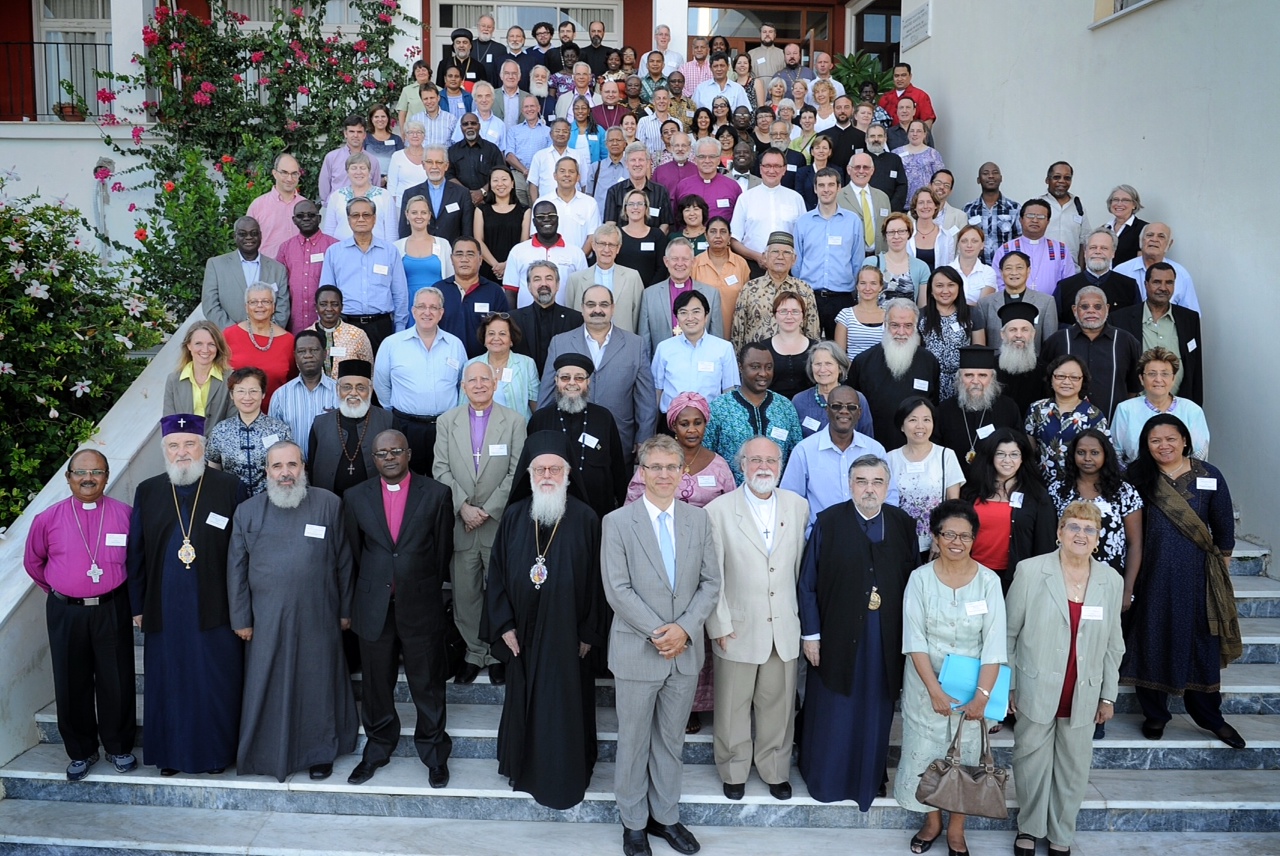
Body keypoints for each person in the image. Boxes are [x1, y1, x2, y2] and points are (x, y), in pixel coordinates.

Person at [602, 434, 721, 856]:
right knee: (634, 740)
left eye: (672, 467)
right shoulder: (617, 522)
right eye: (655, 467)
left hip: (685, 651)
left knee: (671, 740)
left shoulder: (699, 520)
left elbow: (711, 583)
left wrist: (685, 629)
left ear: (682, 472)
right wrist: (661, 632)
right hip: (638, 651)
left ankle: (665, 817)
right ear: (642, 472)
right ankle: (633, 823)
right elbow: (617, 590)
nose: (664, 474)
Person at [486, 430, 604, 809]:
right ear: (529, 473)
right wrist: (504, 624)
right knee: (525, 700)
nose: (548, 475)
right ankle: (522, 766)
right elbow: (498, 574)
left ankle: (565, 771)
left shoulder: (586, 519)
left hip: (569, 636)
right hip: (523, 633)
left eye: (556, 468)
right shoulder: (515, 516)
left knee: (565, 704)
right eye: (541, 469)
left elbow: (600, 582)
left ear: (568, 474)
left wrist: (588, 630)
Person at [228, 441, 358, 782]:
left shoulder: (329, 504)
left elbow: (344, 561)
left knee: (318, 685)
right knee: (265, 686)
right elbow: (236, 570)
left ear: (303, 467)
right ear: (266, 472)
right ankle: (266, 753)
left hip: (319, 614)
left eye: (292, 465)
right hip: (265, 620)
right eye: (277, 466)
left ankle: (320, 752)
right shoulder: (247, 511)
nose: (285, 473)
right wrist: (241, 618)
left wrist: (345, 610)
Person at [126, 416, 248, 776]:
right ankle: (171, 755)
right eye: (174, 446)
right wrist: (136, 606)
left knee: (216, 682)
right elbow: (136, 553)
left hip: (218, 606)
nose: (182, 452)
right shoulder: (148, 491)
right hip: (164, 608)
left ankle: (216, 755)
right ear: (165, 450)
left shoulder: (229, 487)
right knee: (170, 682)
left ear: (202, 447)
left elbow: (242, 552)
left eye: (189, 444)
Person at [1006, 501, 1124, 856]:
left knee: (1073, 769)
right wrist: (1010, 684)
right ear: (1059, 533)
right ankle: (1029, 828)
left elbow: (1114, 643)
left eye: (1089, 529)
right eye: (1073, 527)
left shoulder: (1111, 580)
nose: (1081, 534)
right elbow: (1009, 633)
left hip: (1083, 691)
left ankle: (1061, 833)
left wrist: (1108, 695)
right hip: (1035, 685)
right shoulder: (1030, 571)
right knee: (1030, 763)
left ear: (1098, 538)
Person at [798, 453, 916, 808]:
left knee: (874, 710)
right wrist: (812, 635)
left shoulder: (902, 524)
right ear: (850, 485)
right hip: (835, 636)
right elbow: (807, 584)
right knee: (835, 710)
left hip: (884, 637)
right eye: (861, 481)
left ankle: (869, 777)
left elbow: (913, 584)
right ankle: (827, 779)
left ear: (887, 486)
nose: (869, 489)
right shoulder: (828, 522)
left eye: (877, 482)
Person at [1119, 414, 1243, 747]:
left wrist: (1220, 575)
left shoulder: (1209, 475)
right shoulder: (1137, 476)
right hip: (1152, 574)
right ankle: (1156, 715)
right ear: (1146, 445)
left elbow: (1224, 529)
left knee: (1200, 642)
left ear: (1185, 440)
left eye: (1171, 439)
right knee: (1151, 638)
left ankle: (1210, 717)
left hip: (1198, 576)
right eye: (1155, 440)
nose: (1164, 446)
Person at [343, 429, 454, 786]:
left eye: (395, 451)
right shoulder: (355, 496)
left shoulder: (437, 494)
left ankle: (435, 754)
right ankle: (377, 748)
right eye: (381, 453)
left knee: (428, 684)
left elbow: (442, 552)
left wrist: (415, 581)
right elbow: (355, 553)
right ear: (372, 459)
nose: (389, 458)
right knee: (376, 685)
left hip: (420, 602)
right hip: (374, 605)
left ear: (408, 453)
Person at [896, 500, 1006, 856]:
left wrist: (983, 696)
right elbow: (914, 639)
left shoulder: (988, 581)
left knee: (967, 759)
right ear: (935, 536)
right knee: (926, 755)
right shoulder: (920, 579)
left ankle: (957, 829)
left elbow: (994, 644)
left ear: (974, 539)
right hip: (925, 684)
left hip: (974, 689)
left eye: (965, 536)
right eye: (949, 534)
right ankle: (932, 822)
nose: (957, 542)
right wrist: (934, 691)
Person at [704, 437, 808, 800]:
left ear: (781, 465)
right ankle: (733, 770)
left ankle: (774, 769)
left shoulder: (798, 506)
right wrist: (718, 624)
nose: (764, 467)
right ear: (741, 465)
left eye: (772, 460)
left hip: (783, 624)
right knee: (732, 705)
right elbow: (711, 575)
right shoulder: (718, 510)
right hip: (736, 626)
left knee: (778, 707)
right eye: (755, 460)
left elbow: (800, 571)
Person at [25, 449, 136, 781]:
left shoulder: (126, 515)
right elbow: (34, 563)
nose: (89, 478)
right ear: (69, 477)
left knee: (116, 679)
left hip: (113, 607)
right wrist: (64, 592)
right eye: (81, 472)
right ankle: (81, 750)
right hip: (66, 612)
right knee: (71, 681)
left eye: (97, 472)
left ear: (106, 476)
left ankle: (118, 746)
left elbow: (137, 561)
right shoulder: (47, 519)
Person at [434, 362, 527, 685]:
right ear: (462, 386)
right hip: (463, 523)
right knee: (466, 594)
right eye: (471, 380)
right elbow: (440, 470)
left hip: (497, 522)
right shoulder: (447, 422)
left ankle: (498, 652)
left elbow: (518, 472)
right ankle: (474, 654)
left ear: (494, 382)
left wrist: (487, 509)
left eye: (484, 379)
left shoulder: (514, 422)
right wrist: (464, 507)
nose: (478, 385)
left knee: (499, 593)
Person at [539, 284, 657, 463]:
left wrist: (644, 439)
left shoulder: (635, 344)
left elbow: (645, 400)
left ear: (613, 308)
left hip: (619, 440)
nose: (597, 310)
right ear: (582, 308)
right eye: (591, 304)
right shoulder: (560, 343)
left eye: (603, 304)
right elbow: (547, 394)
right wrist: (544, 436)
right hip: (567, 442)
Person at [1048, 430, 1144, 613]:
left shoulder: (1123, 492)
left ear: (1105, 455)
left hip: (1110, 580)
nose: (1087, 458)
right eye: (1081, 452)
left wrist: (1127, 588)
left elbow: (1135, 544)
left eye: (1094, 452)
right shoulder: (1058, 490)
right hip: (1064, 579)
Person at [374, 287, 467, 475]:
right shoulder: (392, 344)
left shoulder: (455, 344)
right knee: (408, 479)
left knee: (444, 479)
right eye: (422, 306)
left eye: (434, 307)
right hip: (406, 426)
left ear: (441, 313)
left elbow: (462, 384)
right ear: (413, 311)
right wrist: (393, 409)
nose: (427, 312)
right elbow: (381, 382)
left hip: (444, 427)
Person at [780, 385, 895, 530]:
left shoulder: (875, 449)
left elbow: (890, 495)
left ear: (859, 413)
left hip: (869, 536)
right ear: (827, 410)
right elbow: (790, 500)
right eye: (836, 406)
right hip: (822, 539)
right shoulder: (804, 450)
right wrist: (810, 534)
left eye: (851, 407)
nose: (844, 411)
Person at [529, 352, 628, 521]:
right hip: (552, 510)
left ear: (588, 382)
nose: (572, 383)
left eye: (579, 378)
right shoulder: (541, 419)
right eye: (565, 378)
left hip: (597, 509)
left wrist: (624, 505)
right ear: (556, 381)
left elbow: (617, 466)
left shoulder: (603, 417)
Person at [960, 428, 1057, 597]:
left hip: (1016, 578)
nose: (1007, 460)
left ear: (1022, 458)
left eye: (1014, 454)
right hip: (972, 573)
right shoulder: (971, 492)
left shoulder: (1037, 495)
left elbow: (1045, 543)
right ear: (991, 456)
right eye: (1000, 454)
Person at [318, 196, 410, 354]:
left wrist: (399, 328)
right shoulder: (334, 252)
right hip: (346, 325)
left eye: (366, 215)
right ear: (348, 220)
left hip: (381, 326)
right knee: (347, 375)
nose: (361, 219)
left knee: (380, 376)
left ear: (374, 219)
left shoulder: (389, 251)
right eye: (355, 215)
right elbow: (326, 294)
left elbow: (400, 293)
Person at [703, 341, 803, 485]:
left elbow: (796, 455)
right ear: (741, 367)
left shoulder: (785, 407)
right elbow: (707, 455)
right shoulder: (719, 408)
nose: (763, 373)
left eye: (768, 367)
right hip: (733, 497)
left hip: (778, 496)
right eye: (755, 367)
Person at [848, 298, 941, 449]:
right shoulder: (863, 361)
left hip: (916, 448)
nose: (901, 332)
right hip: (872, 445)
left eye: (908, 326)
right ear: (885, 325)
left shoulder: (929, 361)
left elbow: (933, 406)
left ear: (916, 327)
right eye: (895, 325)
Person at [1040, 286, 1141, 420]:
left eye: (1098, 307)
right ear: (1075, 310)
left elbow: (1133, 387)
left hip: (1113, 423)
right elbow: (1045, 384)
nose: (1091, 311)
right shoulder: (1057, 341)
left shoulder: (1125, 341)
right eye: (1085, 307)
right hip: (1064, 428)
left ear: (1107, 309)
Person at [1111, 263, 1203, 405]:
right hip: (1136, 407)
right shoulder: (1120, 319)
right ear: (1146, 284)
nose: (1163, 288)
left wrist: (1195, 405)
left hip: (1179, 406)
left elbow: (1195, 368)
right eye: (1157, 282)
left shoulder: (1189, 319)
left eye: (1169, 283)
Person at [887, 396, 965, 558]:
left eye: (926, 420)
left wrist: (940, 540)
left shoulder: (946, 456)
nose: (920, 426)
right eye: (913, 420)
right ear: (902, 425)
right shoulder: (890, 459)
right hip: (899, 541)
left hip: (935, 544)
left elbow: (953, 504)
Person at [625, 392, 734, 506]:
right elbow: (633, 504)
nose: (692, 430)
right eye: (684, 424)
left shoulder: (719, 465)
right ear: (673, 426)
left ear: (705, 424)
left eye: (697, 423)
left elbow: (730, 509)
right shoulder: (654, 460)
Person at [306, 359, 393, 498]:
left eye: (361, 387)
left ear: (370, 390)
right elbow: (311, 466)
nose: (353, 393)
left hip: (374, 502)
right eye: (347, 387)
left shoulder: (387, 420)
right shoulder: (320, 423)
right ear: (337, 389)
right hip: (329, 501)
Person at [1112, 346, 1210, 466]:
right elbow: (1115, 454)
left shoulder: (1192, 410)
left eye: (1165, 374)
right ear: (1141, 379)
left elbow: (1200, 456)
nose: (1158, 379)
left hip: (1182, 480)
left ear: (1173, 378)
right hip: (1136, 480)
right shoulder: (1125, 409)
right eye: (1152, 374)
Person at [935, 346, 1024, 477]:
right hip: (954, 482)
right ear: (960, 378)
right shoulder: (944, 409)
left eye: (982, 375)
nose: (975, 381)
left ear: (992, 378)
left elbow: (1020, 447)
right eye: (969, 375)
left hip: (996, 483)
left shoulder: (1008, 407)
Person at [205, 367, 293, 496]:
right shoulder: (220, 431)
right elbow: (214, 470)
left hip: (271, 502)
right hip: (231, 501)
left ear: (263, 394)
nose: (247, 397)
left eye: (253, 391)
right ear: (231, 395)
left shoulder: (279, 430)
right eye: (240, 391)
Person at [650, 288, 739, 416]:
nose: (690, 318)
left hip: (710, 420)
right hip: (671, 421)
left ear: (706, 315)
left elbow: (729, 391)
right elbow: (657, 390)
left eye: (696, 312)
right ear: (677, 318)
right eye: (683, 312)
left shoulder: (723, 348)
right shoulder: (664, 348)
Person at [1026, 355, 1112, 482]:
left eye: (1074, 377)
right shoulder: (1036, 409)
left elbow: (1105, 455)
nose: (1066, 382)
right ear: (1051, 379)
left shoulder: (1094, 415)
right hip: (1041, 485)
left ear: (1083, 381)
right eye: (1060, 376)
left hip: (1079, 486)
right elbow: (1029, 451)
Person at [731, 232, 821, 349]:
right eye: (775, 252)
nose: (780, 257)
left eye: (786, 253)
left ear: (794, 259)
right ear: (764, 257)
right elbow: (738, 331)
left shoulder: (804, 289)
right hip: (757, 361)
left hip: (794, 360)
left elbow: (812, 330)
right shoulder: (750, 289)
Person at [201, 216, 290, 330]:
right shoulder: (216, 265)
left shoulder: (278, 269)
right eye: (243, 234)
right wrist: (236, 333)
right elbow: (210, 306)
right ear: (234, 237)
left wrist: (267, 332)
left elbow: (283, 308)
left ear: (260, 236)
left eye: (254, 233)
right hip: (229, 339)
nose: (249, 237)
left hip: (268, 338)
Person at [638, 238, 725, 354]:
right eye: (674, 259)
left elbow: (716, 339)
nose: (680, 264)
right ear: (666, 261)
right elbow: (644, 341)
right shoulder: (649, 295)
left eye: (685, 259)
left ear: (693, 262)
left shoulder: (711, 294)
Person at [221, 284, 296, 410]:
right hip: (236, 414)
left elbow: (293, 380)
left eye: (266, 301)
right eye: (253, 302)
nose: (259, 306)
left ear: (273, 307)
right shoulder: (229, 335)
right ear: (246, 307)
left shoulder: (288, 340)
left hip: (276, 413)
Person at [728, 148, 806, 269]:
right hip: (753, 266)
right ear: (760, 168)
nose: (771, 170)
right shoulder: (745, 198)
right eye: (767, 166)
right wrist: (757, 257)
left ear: (784, 169)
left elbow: (803, 238)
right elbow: (734, 240)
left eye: (777, 166)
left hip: (788, 268)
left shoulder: (796, 198)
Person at [503, 202, 589, 308]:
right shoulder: (518, 251)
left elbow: (583, 291)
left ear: (557, 220)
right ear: (534, 222)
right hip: (526, 321)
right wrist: (512, 321)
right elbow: (511, 291)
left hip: (566, 321)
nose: (546, 219)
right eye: (540, 217)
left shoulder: (576, 253)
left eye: (551, 216)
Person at [433, 237, 507, 358]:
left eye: (470, 254)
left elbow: (504, 331)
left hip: (483, 365)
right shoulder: (438, 290)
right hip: (444, 361)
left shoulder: (494, 292)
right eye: (459, 254)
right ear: (451, 259)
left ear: (480, 260)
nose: (464, 259)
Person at [972, 251, 1059, 350]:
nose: (1014, 272)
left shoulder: (1046, 302)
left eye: (1019, 268)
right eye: (1008, 268)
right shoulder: (985, 304)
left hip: (1034, 363)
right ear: (1001, 272)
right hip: (996, 363)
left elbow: (1050, 344)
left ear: (1028, 270)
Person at [268, 330, 338, 452]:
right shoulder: (281, 395)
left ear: (325, 354)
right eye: (302, 351)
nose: (308, 355)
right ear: (295, 356)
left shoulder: (339, 392)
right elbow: (273, 438)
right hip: (293, 468)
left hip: (331, 466)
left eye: (314, 350)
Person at [565, 225, 644, 332]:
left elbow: (638, 316)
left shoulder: (632, 277)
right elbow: (571, 317)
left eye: (611, 245)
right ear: (593, 245)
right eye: (602, 244)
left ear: (618, 248)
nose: (606, 250)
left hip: (623, 342)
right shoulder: (575, 279)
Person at [919, 266, 982, 401]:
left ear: (959, 288)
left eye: (951, 285)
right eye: (939, 286)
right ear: (931, 290)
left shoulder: (972, 313)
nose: (945, 291)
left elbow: (979, 351)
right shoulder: (920, 315)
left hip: (963, 382)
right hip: (930, 381)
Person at [791, 340, 874, 440]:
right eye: (817, 364)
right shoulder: (799, 400)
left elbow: (867, 438)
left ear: (840, 368)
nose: (822, 369)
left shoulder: (857, 398)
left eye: (828, 363)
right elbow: (794, 440)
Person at [276, 200, 338, 334]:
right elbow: (280, 287)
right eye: (300, 215)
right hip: (294, 324)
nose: (306, 218)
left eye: (311, 215)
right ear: (294, 220)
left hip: (328, 323)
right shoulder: (285, 248)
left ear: (319, 218)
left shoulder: (334, 246)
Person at [992, 199, 1078, 294]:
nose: (1035, 220)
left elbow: (1068, 282)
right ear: (1021, 220)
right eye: (1030, 216)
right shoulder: (1005, 250)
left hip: (1052, 306)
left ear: (1048, 221)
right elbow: (998, 282)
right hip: (1014, 305)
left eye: (1041, 217)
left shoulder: (1060, 249)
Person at [1054, 227, 1141, 321]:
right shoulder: (1065, 287)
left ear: (1113, 253)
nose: (1098, 252)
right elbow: (1056, 323)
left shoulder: (1129, 287)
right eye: (1093, 247)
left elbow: (1135, 323)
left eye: (1104, 248)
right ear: (1085, 252)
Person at [1113, 221, 1201, 312]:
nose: (1154, 239)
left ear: (1169, 244)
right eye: (1149, 235)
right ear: (1141, 241)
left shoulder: (1181, 274)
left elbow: (1192, 315)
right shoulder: (1121, 271)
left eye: (1161, 236)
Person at [163, 321, 233, 433]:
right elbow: (170, 426)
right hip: (184, 448)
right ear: (189, 346)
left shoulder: (232, 379)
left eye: (211, 344)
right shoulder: (173, 380)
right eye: (198, 343)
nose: (205, 350)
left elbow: (233, 423)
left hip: (220, 448)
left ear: (218, 347)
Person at [466, 311, 539, 419]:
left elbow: (535, 404)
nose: (496, 338)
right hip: (482, 432)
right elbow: (463, 405)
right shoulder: (471, 365)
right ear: (484, 339)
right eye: (491, 334)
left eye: (502, 334)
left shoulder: (527, 364)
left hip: (518, 432)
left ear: (511, 340)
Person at [397, 144, 473, 244]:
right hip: (419, 253)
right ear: (423, 165)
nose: (434, 167)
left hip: (451, 254)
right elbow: (405, 230)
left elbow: (467, 232)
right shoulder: (410, 194)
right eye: (429, 162)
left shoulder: (462, 194)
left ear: (446, 166)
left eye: (439, 162)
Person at [691, 216, 750, 334]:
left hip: (735, 331)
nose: (718, 236)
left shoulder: (740, 263)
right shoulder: (695, 264)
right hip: (702, 333)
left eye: (723, 232)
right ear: (706, 236)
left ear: (729, 236)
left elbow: (747, 300)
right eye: (713, 231)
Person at [322, 152, 396, 244]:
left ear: (369, 171)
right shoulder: (336, 196)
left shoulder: (385, 196)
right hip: (342, 252)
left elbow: (391, 232)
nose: (358, 172)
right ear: (347, 172)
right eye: (353, 168)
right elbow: (329, 231)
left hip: (377, 252)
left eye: (363, 168)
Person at [474, 166, 530, 286]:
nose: (500, 184)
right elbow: (478, 240)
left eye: (504, 179)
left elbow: (524, 243)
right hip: (488, 268)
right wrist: (496, 265)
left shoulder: (525, 210)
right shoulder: (481, 210)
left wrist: (507, 265)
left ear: (512, 183)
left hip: (515, 267)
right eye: (495, 180)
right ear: (490, 185)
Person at [395, 195, 454, 305]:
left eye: (423, 212)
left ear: (429, 216)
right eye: (414, 212)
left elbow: (451, 278)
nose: (419, 216)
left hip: (437, 304)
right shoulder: (396, 247)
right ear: (406, 215)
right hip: (408, 304)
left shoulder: (443, 244)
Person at [246, 153, 304, 260]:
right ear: (274, 173)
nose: (289, 178)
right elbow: (247, 242)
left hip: (299, 270)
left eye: (294, 173)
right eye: (284, 173)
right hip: (268, 271)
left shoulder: (305, 206)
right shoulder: (258, 206)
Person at [309, 286, 374, 380]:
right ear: (316, 307)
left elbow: (369, 371)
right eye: (323, 304)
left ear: (342, 307)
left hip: (349, 392)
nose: (329, 309)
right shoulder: (307, 336)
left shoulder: (357, 335)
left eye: (334, 304)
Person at [836, 153, 892, 257]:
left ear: (872, 170)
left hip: (879, 257)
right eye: (857, 167)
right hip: (848, 257)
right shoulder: (837, 197)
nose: (861, 171)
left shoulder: (883, 197)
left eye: (866, 167)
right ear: (849, 170)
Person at [963, 162, 1020, 263]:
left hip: (1006, 269)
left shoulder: (1014, 208)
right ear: (978, 180)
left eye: (995, 173)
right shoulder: (968, 209)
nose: (990, 176)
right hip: (977, 269)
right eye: (985, 173)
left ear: (1001, 178)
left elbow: (1020, 238)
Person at [994, 302, 1045, 415]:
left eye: (1024, 330)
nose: (1018, 335)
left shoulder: (1044, 369)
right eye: (1013, 330)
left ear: (1033, 334)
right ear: (1002, 334)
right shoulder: (990, 367)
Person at [673, 137, 742, 220]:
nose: (707, 161)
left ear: (718, 159)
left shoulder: (732, 186)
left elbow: (739, 220)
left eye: (712, 156)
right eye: (702, 156)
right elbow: (677, 219)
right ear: (695, 159)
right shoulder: (683, 186)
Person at [1037, 161, 1092, 264]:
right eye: (1057, 177)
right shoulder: (1037, 205)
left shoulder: (1078, 207)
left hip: (1071, 270)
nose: (1062, 181)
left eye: (1067, 178)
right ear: (1047, 180)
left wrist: (1081, 272)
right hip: (1042, 267)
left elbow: (1084, 243)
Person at [319, 114, 383, 201]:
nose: (355, 135)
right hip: (337, 207)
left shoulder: (372, 161)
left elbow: (376, 188)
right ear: (345, 133)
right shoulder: (331, 157)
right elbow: (324, 189)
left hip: (363, 209)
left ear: (364, 135)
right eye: (352, 131)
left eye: (359, 132)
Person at [765, 292, 817, 400]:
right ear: (775, 315)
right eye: (783, 311)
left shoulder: (817, 348)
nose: (789, 316)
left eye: (795, 311)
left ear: (803, 316)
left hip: (808, 409)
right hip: (773, 410)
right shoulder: (762, 349)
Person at [446, 112, 504, 206]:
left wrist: (482, 192)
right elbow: (448, 175)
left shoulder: (492, 149)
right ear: (461, 128)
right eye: (465, 124)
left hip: (488, 202)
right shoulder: (452, 151)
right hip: (461, 202)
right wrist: (467, 194)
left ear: (479, 126)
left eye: (473, 123)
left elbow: (500, 173)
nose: (469, 126)